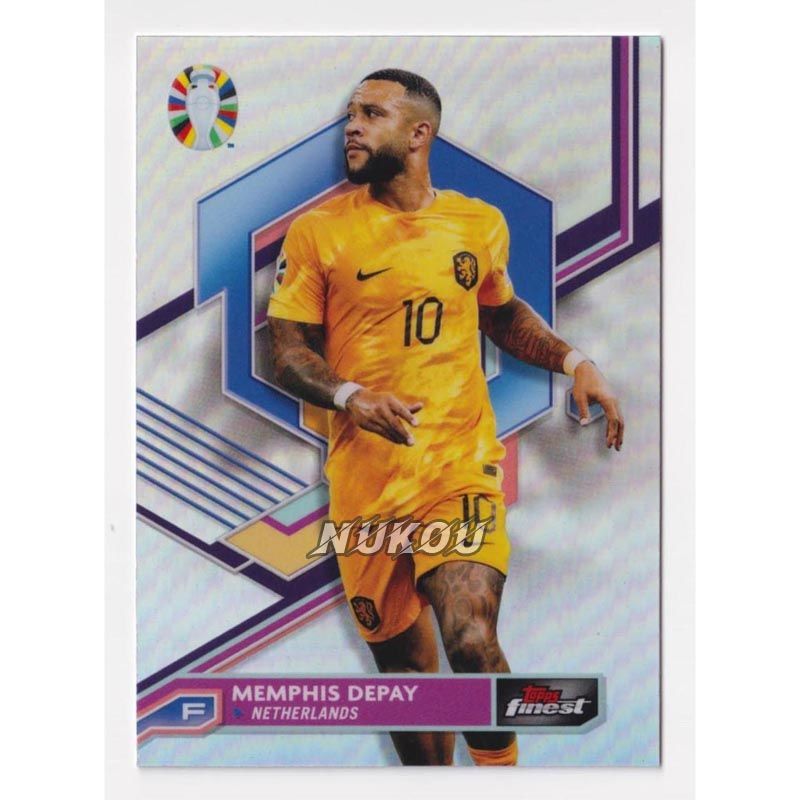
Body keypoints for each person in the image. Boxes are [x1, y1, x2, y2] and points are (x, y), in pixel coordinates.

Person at [266, 68, 623, 766]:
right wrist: (351, 396)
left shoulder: (476, 223)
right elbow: (286, 352)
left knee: (470, 639)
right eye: (351, 112)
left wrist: (574, 359)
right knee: (406, 679)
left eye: (373, 113)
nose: (352, 125)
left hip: (456, 470)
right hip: (366, 487)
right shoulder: (318, 233)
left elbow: (500, 314)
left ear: (419, 133)